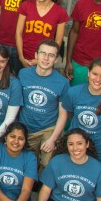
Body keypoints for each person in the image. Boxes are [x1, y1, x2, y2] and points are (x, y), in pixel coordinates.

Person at [58, 58, 101, 173]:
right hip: (76, 149)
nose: (98, 79)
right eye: (94, 74)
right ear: (88, 73)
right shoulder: (73, 92)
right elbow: (69, 113)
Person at [17, 40, 70, 171]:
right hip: (26, 126)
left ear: (56, 59)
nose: (46, 58)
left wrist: (53, 138)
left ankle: (44, 184)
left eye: (51, 55)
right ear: (36, 55)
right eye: (43, 53)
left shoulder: (62, 83)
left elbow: (63, 114)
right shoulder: (23, 74)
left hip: (48, 128)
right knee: (27, 164)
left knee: (48, 164)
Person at [15, 0, 69, 68]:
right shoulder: (26, 6)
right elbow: (18, 33)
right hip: (24, 58)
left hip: (45, 61)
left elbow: (58, 42)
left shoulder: (60, 12)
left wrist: (39, 60)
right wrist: (21, 57)